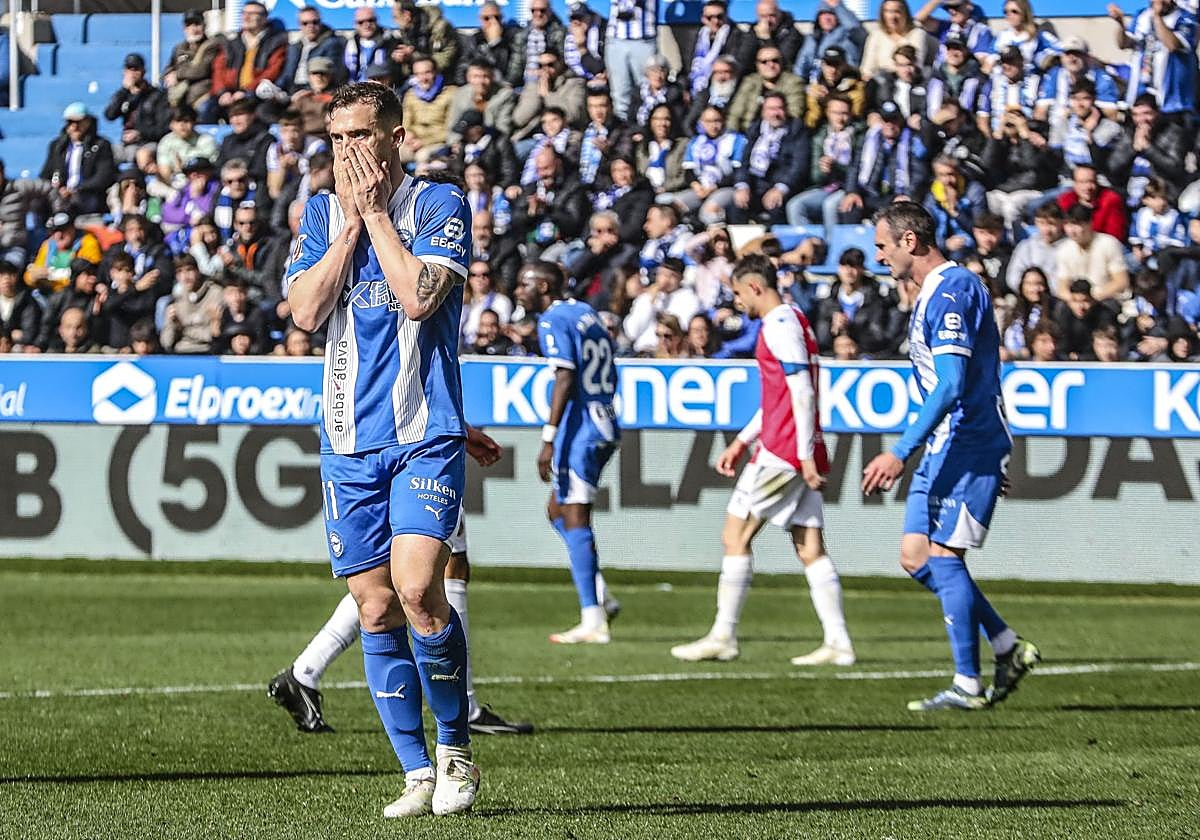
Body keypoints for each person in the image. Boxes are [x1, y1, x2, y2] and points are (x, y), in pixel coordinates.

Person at [283, 82, 479, 818]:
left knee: (420, 590)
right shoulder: (318, 212)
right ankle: (415, 771)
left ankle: (457, 749)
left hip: (423, 434)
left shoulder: (439, 205)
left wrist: (373, 217)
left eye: (361, 136)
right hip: (345, 443)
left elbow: (419, 298)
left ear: (396, 138)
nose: (347, 153)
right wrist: (345, 230)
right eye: (336, 140)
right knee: (373, 607)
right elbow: (305, 311)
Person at [863, 201, 1040, 711]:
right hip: (951, 444)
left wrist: (899, 451)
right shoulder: (932, 295)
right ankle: (1006, 645)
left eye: (883, 245)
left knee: (944, 556)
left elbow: (953, 384)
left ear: (910, 242)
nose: (879, 257)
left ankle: (968, 684)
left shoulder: (954, 289)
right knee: (917, 557)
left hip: (966, 440)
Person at [269, 431, 533, 737]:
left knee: (401, 578)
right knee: (436, 568)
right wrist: (461, 429)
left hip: (389, 443)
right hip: (411, 448)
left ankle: (304, 672)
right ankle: (466, 707)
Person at [671, 254, 854, 665]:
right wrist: (740, 441)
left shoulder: (779, 326)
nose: (737, 301)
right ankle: (839, 642)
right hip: (787, 444)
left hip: (783, 451)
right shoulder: (795, 319)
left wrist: (804, 454)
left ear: (755, 286)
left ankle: (723, 636)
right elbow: (781, 397)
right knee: (809, 546)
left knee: (734, 536)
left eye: (738, 292)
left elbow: (803, 392)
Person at [515, 260, 621, 644]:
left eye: (525, 284)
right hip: (604, 416)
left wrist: (548, 437)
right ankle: (600, 595)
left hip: (581, 429)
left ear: (544, 286)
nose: (518, 290)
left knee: (575, 516)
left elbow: (565, 374)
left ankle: (593, 619)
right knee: (556, 509)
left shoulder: (551, 320)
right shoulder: (585, 312)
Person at [729, 93, 808, 225]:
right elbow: (744, 163)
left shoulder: (797, 130)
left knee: (776, 206)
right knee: (736, 205)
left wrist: (780, 188)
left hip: (781, 186)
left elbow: (798, 166)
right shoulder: (755, 129)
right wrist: (742, 186)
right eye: (771, 109)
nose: (775, 113)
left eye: (779, 108)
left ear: (786, 110)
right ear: (763, 112)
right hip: (755, 185)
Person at [1107, 0, 1196, 117]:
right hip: (1140, 104)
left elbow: (1172, 45)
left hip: (1173, 106)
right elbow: (1124, 44)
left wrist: (1156, 16)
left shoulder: (1186, 17)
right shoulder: (1141, 15)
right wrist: (1120, 23)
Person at [207, 0, 288, 121]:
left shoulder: (275, 42)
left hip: (257, 94)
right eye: (244, 13)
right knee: (206, 109)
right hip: (230, 93)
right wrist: (222, 92)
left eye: (253, 13)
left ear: (264, 18)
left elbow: (273, 71)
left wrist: (247, 91)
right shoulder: (231, 43)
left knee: (263, 113)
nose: (246, 17)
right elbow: (218, 69)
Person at [40, 102, 116, 216]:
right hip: (59, 194)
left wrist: (77, 189)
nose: (74, 126)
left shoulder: (101, 145)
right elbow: (46, 174)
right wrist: (56, 189)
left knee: (77, 201)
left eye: (78, 122)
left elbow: (103, 176)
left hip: (86, 194)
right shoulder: (57, 146)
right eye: (70, 122)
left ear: (88, 122)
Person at [104, 52, 170, 164]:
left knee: (138, 154)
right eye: (129, 69)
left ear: (143, 71)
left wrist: (140, 133)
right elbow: (109, 115)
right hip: (126, 144)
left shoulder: (157, 95)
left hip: (149, 143)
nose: (133, 73)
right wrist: (124, 90)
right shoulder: (124, 95)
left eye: (136, 69)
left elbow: (164, 128)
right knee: (102, 153)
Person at [1055, 203, 1129, 301]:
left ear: (1090, 224)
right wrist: (1073, 299)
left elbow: (1121, 282)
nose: (1072, 230)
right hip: (1077, 301)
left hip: (1107, 299)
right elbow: (1062, 286)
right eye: (1067, 225)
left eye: (1077, 225)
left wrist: (1094, 297)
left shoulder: (1108, 243)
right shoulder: (1064, 249)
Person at [727, 45, 806, 134]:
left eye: (775, 60)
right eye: (764, 62)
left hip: (779, 133)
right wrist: (731, 134)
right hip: (746, 132)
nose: (771, 65)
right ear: (757, 65)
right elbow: (735, 113)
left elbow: (794, 113)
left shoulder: (794, 82)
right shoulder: (750, 81)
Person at [605, 0, 659, 121]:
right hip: (616, 38)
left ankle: (645, 128)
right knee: (619, 92)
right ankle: (622, 130)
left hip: (644, 38)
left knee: (647, 88)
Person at [24, 212, 103, 294]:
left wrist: (50, 282)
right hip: (50, 296)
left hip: (74, 296)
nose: (58, 235)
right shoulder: (48, 245)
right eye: (54, 232)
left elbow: (85, 280)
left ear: (72, 228)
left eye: (62, 230)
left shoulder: (88, 243)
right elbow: (29, 275)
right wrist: (32, 278)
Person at [162, 10, 223, 110]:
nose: (193, 29)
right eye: (189, 25)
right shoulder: (179, 48)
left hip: (202, 96)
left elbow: (201, 70)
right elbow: (167, 70)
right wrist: (168, 76)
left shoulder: (212, 45)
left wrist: (177, 75)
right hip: (180, 99)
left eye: (197, 24)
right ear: (184, 28)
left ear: (204, 25)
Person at [0, 159, 55, 267]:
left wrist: (58, 214)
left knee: (8, 269)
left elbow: (49, 189)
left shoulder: (19, 186)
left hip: (13, 247)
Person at [794, 0, 865, 82]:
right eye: (823, 14)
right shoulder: (811, 39)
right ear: (818, 18)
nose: (827, 18)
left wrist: (838, 6)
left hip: (842, 85)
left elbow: (854, 28)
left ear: (838, 17)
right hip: (815, 86)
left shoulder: (848, 37)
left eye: (831, 14)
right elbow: (800, 68)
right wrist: (803, 87)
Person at [860, 0, 934, 79]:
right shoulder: (876, 35)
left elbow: (915, 64)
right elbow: (867, 68)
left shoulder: (917, 33)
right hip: (880, 82)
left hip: (907, 81)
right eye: (888, 11)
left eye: (897, 12)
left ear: (905, 13)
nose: (892, 17)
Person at [282, 6, 346, 94]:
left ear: (320, 22)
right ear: (299, 24)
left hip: (316, 91)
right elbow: (286, 75)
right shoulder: (294, 47)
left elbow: (330, 74)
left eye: (315, 22)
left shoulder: (332, 44)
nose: (310, 26)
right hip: (291, 90)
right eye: (305, 23)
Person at [687, 1, 745, 96]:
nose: (715, 21)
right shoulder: (695, 37)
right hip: (695, 88)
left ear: (726, 16)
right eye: (710, 17)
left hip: (722, 89)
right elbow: (687, 67)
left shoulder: (737, 36)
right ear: (703, 19)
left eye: (719, 17)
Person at [916, 0, 994, 67]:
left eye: (956, 7)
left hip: (965, 78)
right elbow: (921, 18)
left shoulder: (981, 31)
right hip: (940, 77)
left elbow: (981, 61)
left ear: (968, 5)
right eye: (947, 8)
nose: (951, 11)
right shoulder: (946, 27)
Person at [1005, 201, 1063, 292]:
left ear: (1062, 223)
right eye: (1041, 223)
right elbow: (1012, 277)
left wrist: (1044, 289)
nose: (1046, 229)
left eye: (1051, 224)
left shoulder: (1069, 248)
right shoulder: (1026, 246)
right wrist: (1030, 289)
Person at [507, 0, 567, 87]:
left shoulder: (560, 33)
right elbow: (516, 67)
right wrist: (509, 83)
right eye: (533, 10)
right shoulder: (521, 36)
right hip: (527, 84)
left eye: (542, 10)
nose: (538, 14)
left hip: (552, 82)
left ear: (549, 11)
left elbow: (564, 61)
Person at [1054, 278, 1118, 359]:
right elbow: (1061, 346)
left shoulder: (1104, 315)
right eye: (1075, 301)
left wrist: (1080, 357)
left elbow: (1107, 347)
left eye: (1085, 301)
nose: (1080, 307)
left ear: (1092, 300)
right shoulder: (1064, 314)